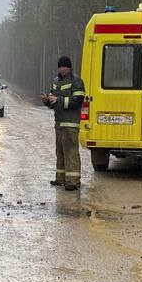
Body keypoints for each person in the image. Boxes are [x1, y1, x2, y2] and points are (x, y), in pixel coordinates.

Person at [44, 56, 86, 190]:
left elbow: (77, 100)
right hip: (59, 123)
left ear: (69, 67)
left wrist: (59, 100)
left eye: (64, 66)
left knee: (71, 152)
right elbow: (53, 102)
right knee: (60, 152)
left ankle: (73, 181)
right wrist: (47, 100)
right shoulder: (55, 82)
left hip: (71, 123)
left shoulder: (77, 81)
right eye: (60, 66)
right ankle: (60, 178)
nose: (61, 69)